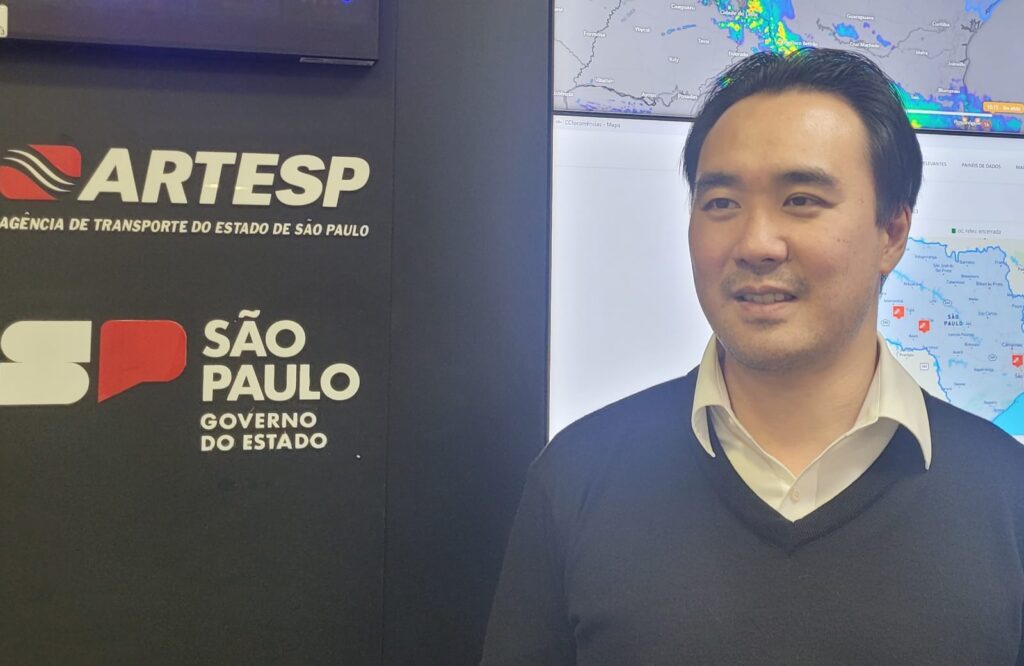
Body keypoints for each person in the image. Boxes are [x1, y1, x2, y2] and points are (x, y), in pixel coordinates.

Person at [481, 48, 1024, 665]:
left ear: (892, 233)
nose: (756, 243)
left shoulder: (1008, 497)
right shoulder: (577, 476)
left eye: (801, 200)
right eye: (721, 203)